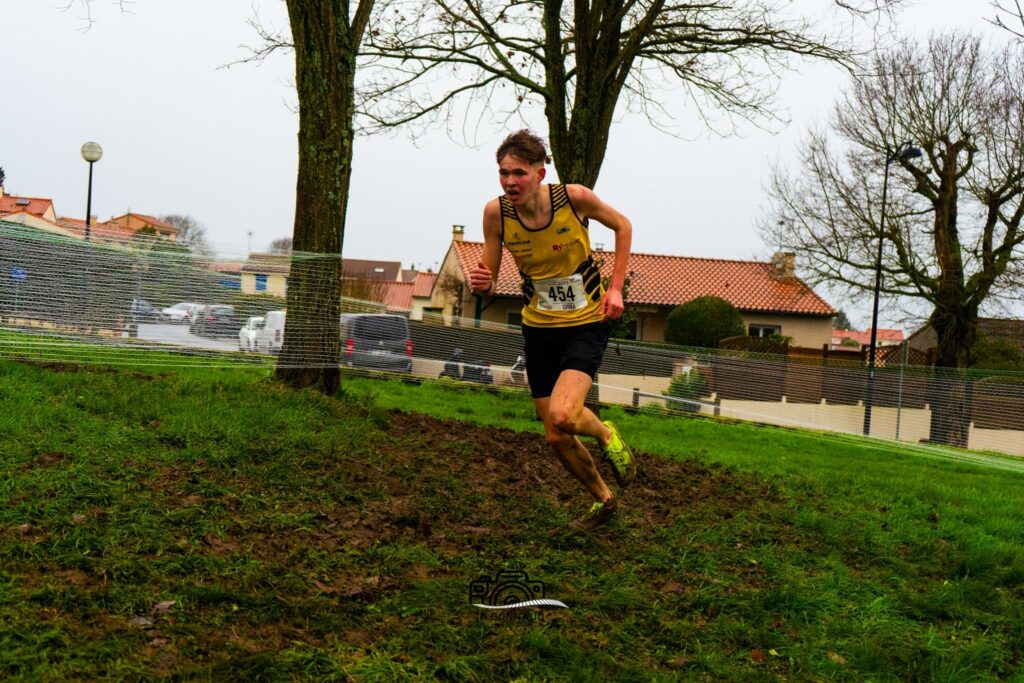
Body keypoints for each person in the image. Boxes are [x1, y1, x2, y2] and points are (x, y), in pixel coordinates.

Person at [470, 129, 637, 531]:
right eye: (504, 173)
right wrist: (483, 283)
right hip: (538, 327)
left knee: (564, 415)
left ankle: (605, 432)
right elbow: (491, 277)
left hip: (585, 322)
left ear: (540, 173)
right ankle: (604, 500)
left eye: (519, 173)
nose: (510, 181)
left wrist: (615, 289)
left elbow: (623, 225)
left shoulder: (573, 198)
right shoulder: (496, 214)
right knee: (555, 436)